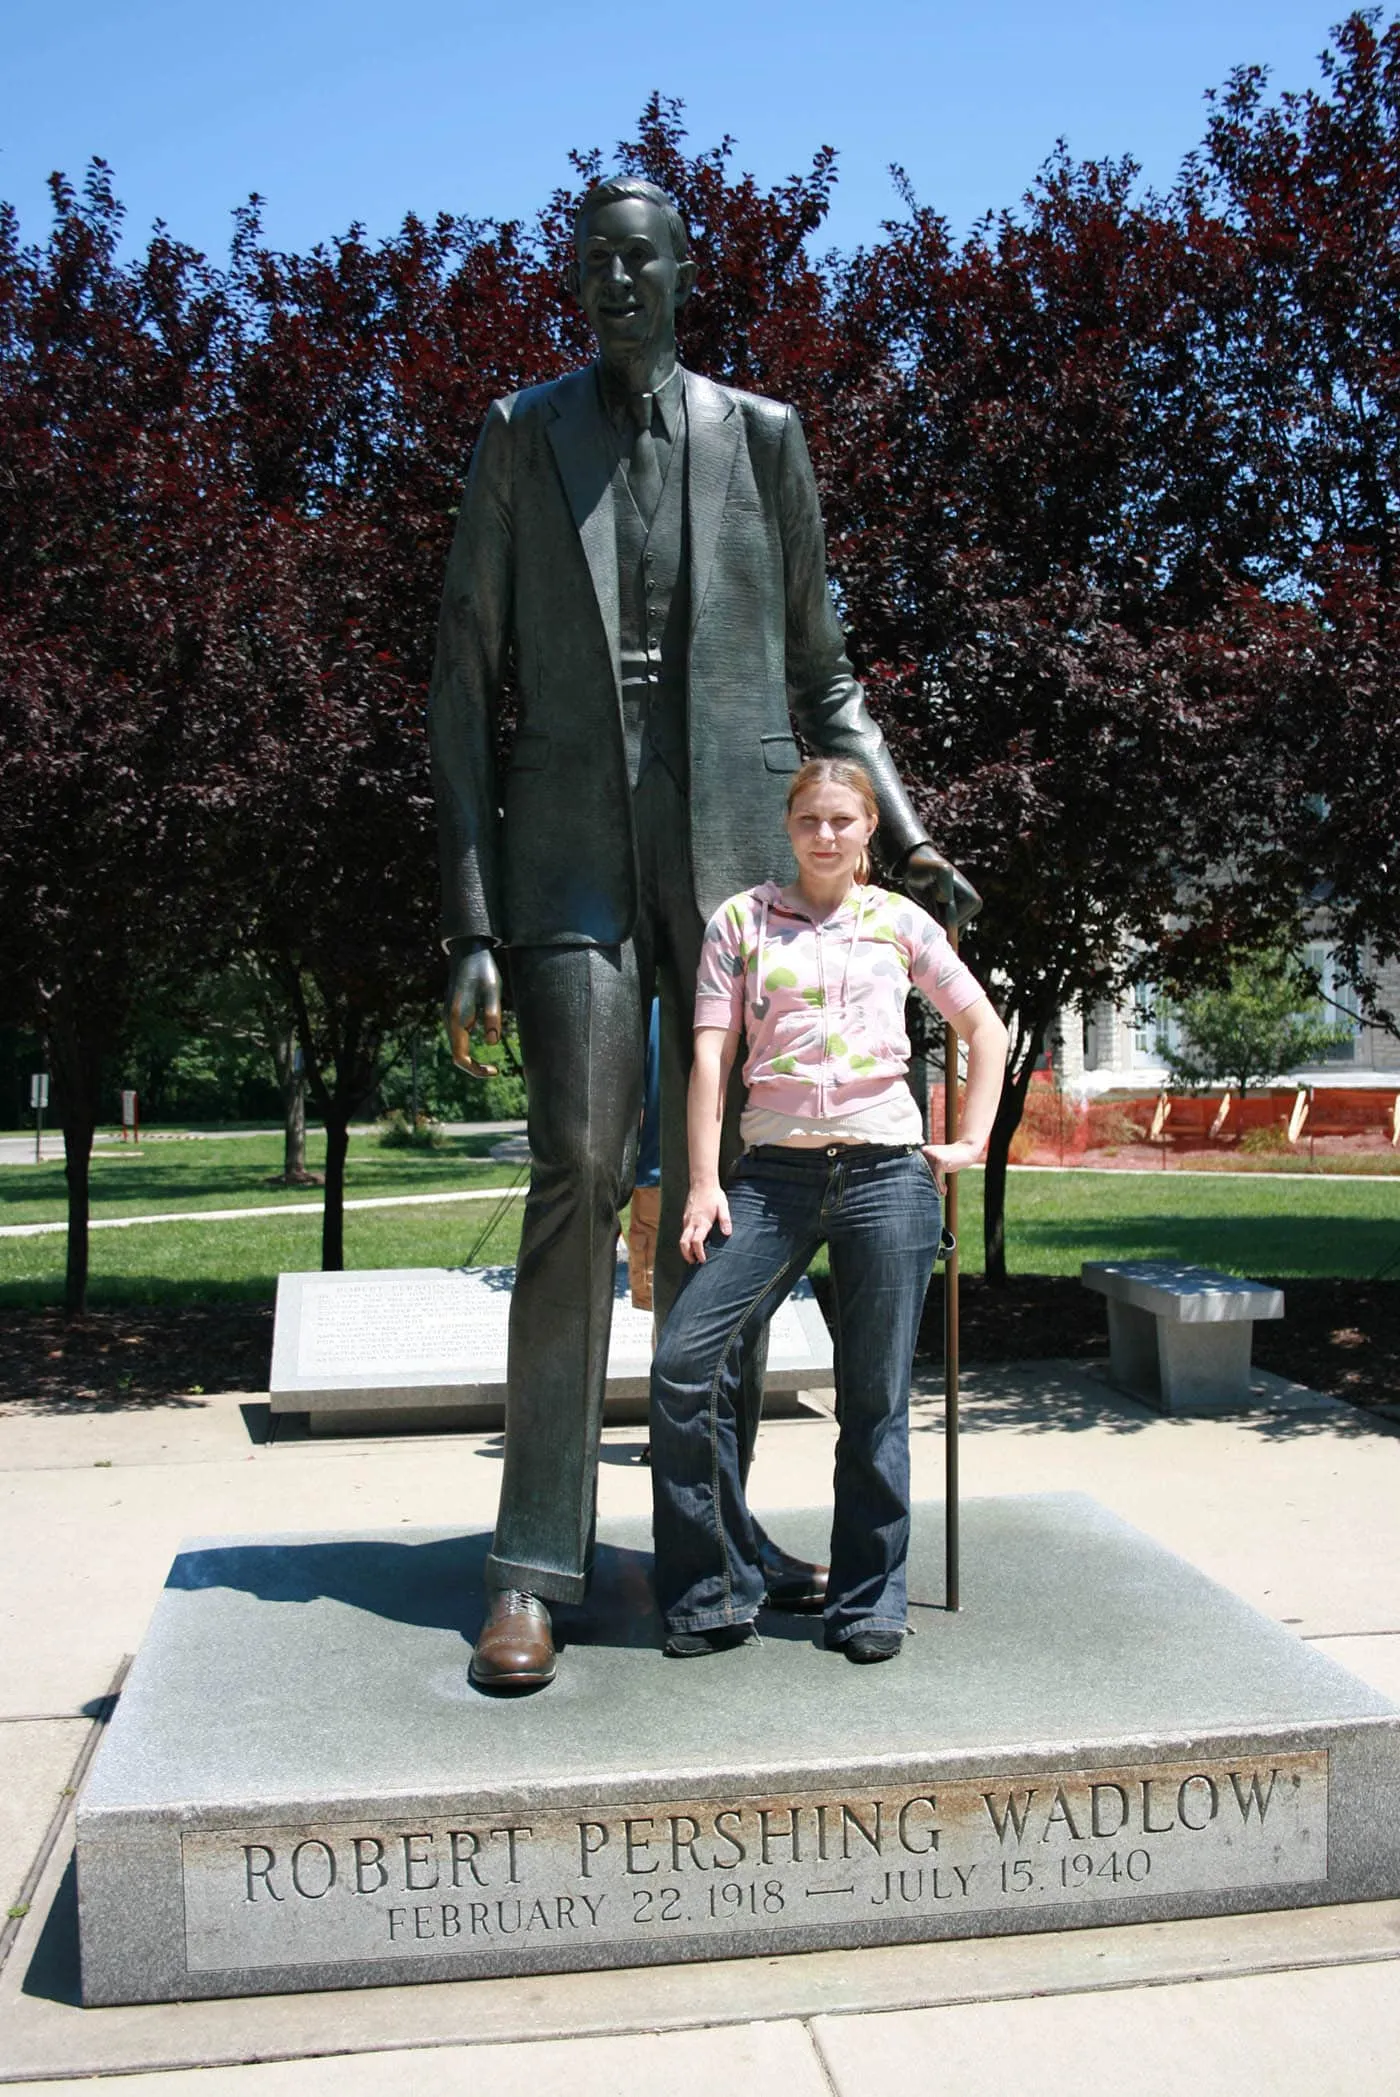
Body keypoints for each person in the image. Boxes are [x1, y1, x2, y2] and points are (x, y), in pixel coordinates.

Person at [429, 174, 978, 1691]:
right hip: (570, 864)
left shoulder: (765, 439)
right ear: (575, 280)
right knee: (583, 1172)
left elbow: (827, 670)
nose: (614, 281)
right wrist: (469, 915)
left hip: (739, 865)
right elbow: (462, 690)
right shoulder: (521, 436)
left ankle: (712, 1544)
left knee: (726, 1192)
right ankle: (534, 1560)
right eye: (589, 260)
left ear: (682, 273)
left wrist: (910, 832)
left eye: (639, 258)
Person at [650, 758, 1008, 1662]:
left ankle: (866, 1600)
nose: (826, 834)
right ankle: (713, 1587)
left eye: (844, 819)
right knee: (685, 1369)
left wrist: (968, 1141)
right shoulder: (741, 920)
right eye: (811, 818)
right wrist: (703, 1181)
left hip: (888, 1176)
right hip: (770, 1179)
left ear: (867, 831)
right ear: (790, 822)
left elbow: (984, 1029)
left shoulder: (900, 922)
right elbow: (710, 1059)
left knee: (875, 1399)